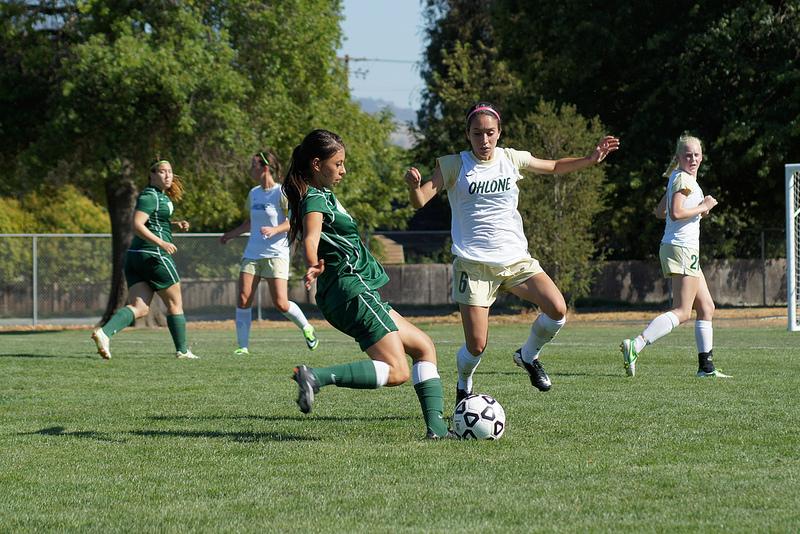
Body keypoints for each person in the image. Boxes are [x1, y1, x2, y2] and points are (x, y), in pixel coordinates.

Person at [405, 102, 619, 403]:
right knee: (477, 346)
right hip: (474, 265)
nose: (484, 140)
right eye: (477, 133)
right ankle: (464, 386)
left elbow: (555, 166)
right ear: (468, 134)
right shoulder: (453, 164)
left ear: (499, 133)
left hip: (516, 260)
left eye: (490, 133)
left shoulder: (511, 158)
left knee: (557, 310)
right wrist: (414, 187)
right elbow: (420, 200)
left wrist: (591, 158)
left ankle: (528, 356)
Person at [284, 129, 453, 439]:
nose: (343, 170)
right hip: (352, 290)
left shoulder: (322, 195)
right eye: (338, 164)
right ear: (317, 163)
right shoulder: (315, 198)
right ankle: (316, 377)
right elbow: (310, 238)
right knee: (398, 370)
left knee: (424, 347)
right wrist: (313, 262)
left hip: (352, 292)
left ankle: (438, 430)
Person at [620, 134, 730, 378]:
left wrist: (689, 206)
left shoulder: (678, 178)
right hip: (682, 248)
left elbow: (661, 211)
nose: (693, 158)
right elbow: (677, 212)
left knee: (707, 307)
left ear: (702, 156)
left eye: (696, 155)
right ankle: (636, 345)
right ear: (679, 157)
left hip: (681, 248)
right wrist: (705, 206)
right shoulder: (683, 178)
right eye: (688, 155)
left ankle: (706, 367)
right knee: (682, 311)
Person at [91, 159, 198, 360]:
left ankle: (104, 333)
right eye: (162, 172)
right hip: (154, 255)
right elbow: (137, 225)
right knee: (175, 303)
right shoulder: (150, 196)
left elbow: (154, 222)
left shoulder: (159, 196)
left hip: (135, 257)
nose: (167, 175)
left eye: (170, 171)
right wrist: (162, 243)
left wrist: (174, 225)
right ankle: (182, 351)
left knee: (140, 307)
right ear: (151, 175)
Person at [220, 150, 318, 355]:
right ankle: (243, 347)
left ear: (264, 168)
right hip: (252, 252)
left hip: (277, 253)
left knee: (281, 303)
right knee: (243, 297)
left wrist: (274, 230)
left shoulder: (281, 192)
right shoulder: (253, 192)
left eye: (253, 165)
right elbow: (249, 222)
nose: (250, 169)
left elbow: (292, 222)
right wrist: (230, 234)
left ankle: (307, 327)